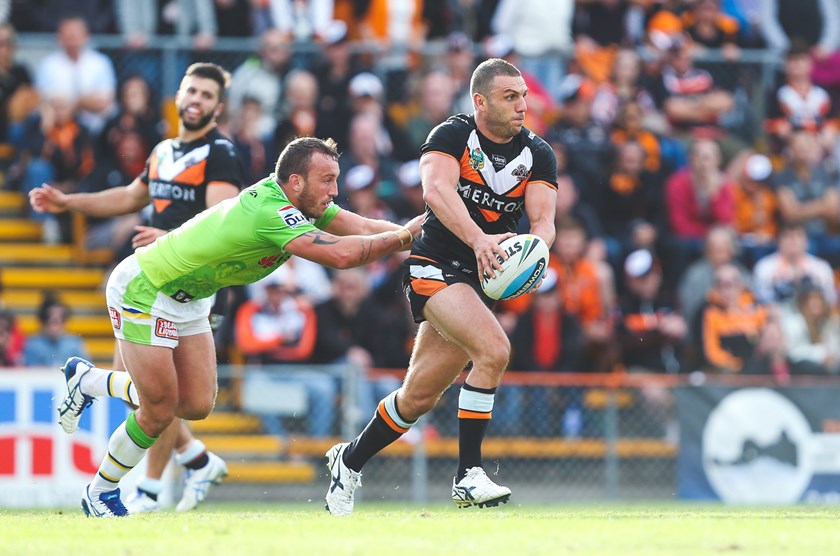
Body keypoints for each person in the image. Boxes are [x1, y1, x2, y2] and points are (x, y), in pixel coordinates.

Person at [34, 134, 422, 518]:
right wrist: (407, 235)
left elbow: (367, 228)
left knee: (197, 405)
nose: (335, 190)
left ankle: (87, 381)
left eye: (336, 179)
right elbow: (341, 255)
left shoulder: (302, 203)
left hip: (191, 298)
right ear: (296, 181)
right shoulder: (272, 211)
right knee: (157, 410)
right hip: (146, 286)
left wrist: (419, 233)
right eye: (327, 180)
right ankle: (100, 491)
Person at [323, 58, 558, 516]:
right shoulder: (451, 135)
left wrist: (534, 251)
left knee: (418, 398)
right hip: (435, 264)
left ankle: (347, 460)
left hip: (480, 280)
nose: (522, 105)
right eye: (511, 96)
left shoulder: (539, 153)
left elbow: (544, 222)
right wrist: (480, 239)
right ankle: (468, 474)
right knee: (493, 350)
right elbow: (436, 193)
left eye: (524, 95)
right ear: (480, 101)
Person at [29, 63, 245, 515]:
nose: (196, 100)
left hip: (192, 285)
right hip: (151, 282)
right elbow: (130, 196)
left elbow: (219, 225)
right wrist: (71, 203)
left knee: (176, 397)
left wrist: (165, 239)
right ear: (179, 95)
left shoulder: (221, 153)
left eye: (207, 95)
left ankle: (155, 475)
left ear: (217, 107)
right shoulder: (164, 149)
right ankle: (180, 468)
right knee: (152, 391)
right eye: (191, 91)